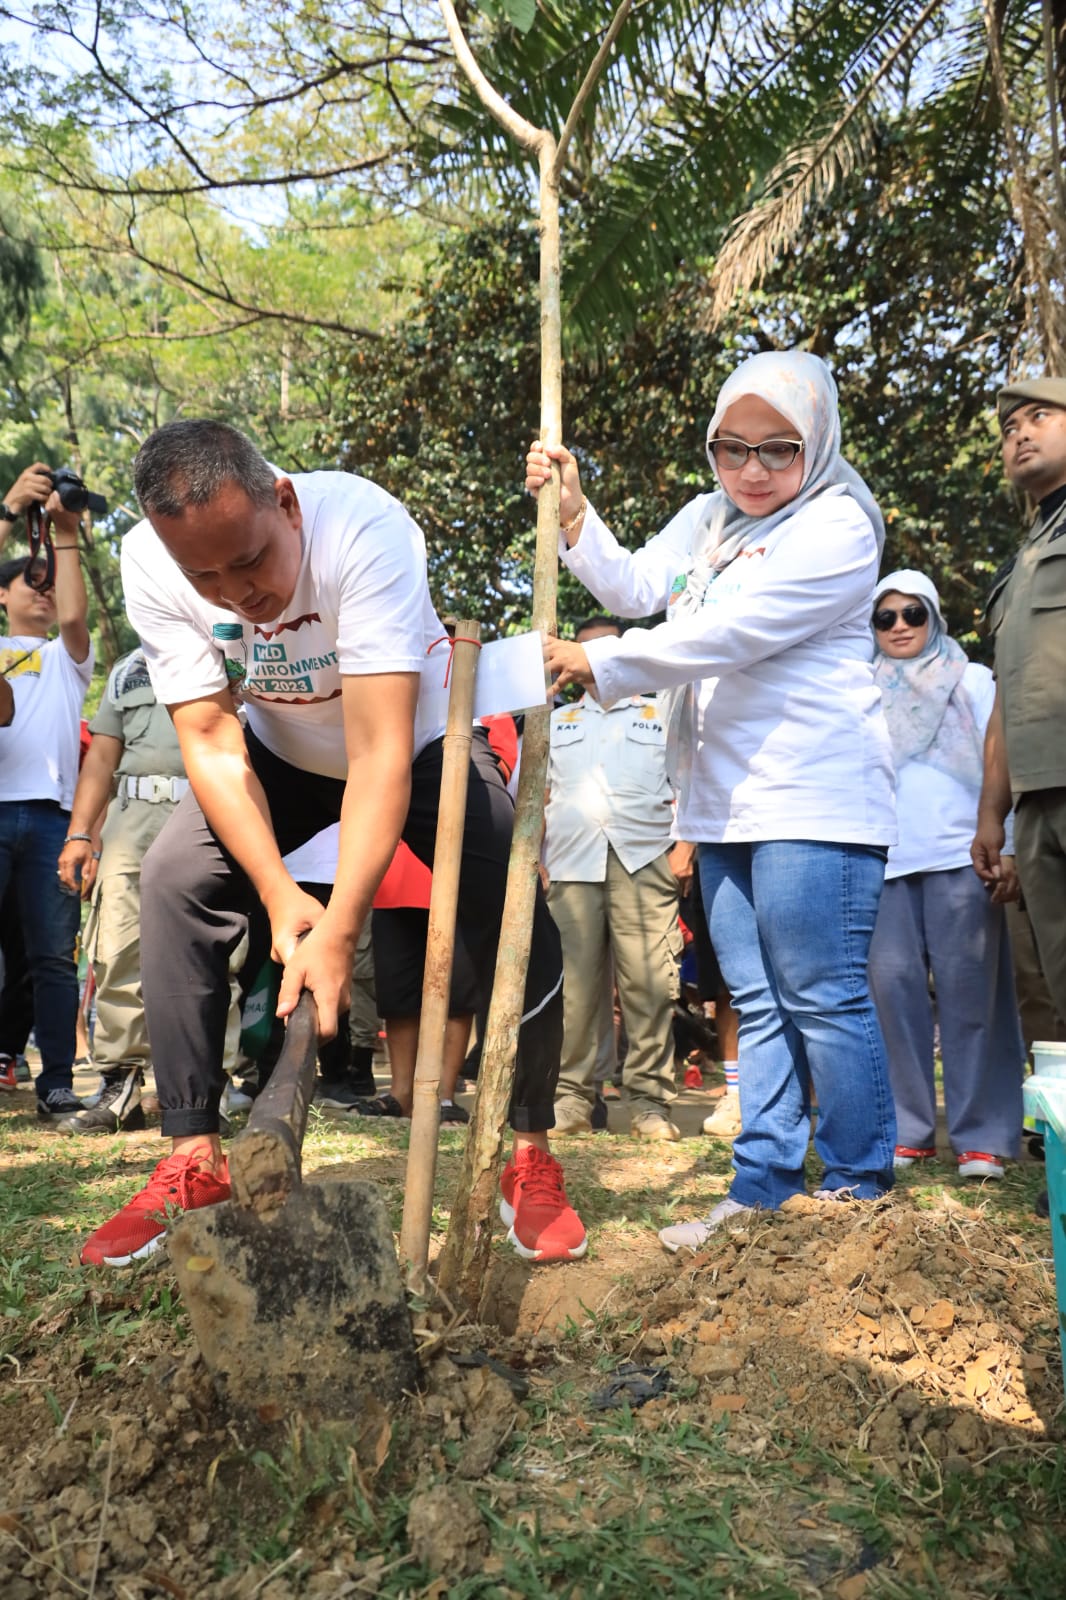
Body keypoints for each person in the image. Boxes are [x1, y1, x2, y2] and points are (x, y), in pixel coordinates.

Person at [80, 420, 585, 1268]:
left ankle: (527, 1150)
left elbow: (380, 753)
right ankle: (192, 1155)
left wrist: (340, 929)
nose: (235, 594)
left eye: (249, 562)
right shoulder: (147, 561)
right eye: (204, 577)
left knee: (508, 890)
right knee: (174, 878)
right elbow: (207, 738)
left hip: (418, 741)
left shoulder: (364, 529)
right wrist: (281, 897)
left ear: (284, 502)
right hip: (279, 751)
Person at [526, 349, 897, 1250]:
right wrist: (575, 516)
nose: (753, 471)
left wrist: (601, 663)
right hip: (726, 803)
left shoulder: (839, 527)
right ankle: (762, 1189)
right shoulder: (709, 520)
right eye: (732, 449)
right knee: (762, 1001)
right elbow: (636, 586)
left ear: (818, 442)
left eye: (779, 450)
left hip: (814, 799)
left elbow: (729, 633)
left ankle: (858, 1193)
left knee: (822, 992)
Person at [867, 571, 1025, 1179]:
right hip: (882, 860)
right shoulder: (856, 687)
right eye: (886, 618)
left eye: (913, 614)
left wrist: (1006, 845)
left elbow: (999, 765)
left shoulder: (975, 680)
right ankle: (908, 1130)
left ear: (934, 618)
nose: (900, 626)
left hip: (964, 856)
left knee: (973, 999)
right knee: (892, 998)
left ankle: (982, 1137)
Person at [544, 614, 685, 1139]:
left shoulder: (661, 711)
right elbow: (533, 795)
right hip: (571, 863)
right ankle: (573, 1100)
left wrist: (684, 848)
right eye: (584, 652)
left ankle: (649, 1104)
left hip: (644, 858)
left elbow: (689, 781)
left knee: (648, 985)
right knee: (575, 992)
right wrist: (534, 858)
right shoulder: (555, 721)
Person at [52, 647, 189, 1132]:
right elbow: (103, 757)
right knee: (115, 949)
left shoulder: (238, 644)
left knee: (208, 951)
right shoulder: (130, 666)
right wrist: (80, 833)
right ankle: (121, 1088)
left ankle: (205, 1088)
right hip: (131, 821)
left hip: (206, 808)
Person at [0, 465, 94, 1119]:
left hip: (54, 821)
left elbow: (76, 613)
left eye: (48, 585)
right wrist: (8, 510)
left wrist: (63, 534)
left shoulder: (68, 657)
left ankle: (56, 1081)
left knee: (53, 958)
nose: (41, 592)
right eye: (27, 583)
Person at [972, 378, 1066, 1030]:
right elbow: (1008, 692)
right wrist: (990, 814)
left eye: (1040, 416)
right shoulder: (1022, 559)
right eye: (1010, 429)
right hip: (1036, 803)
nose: (1021, 434)